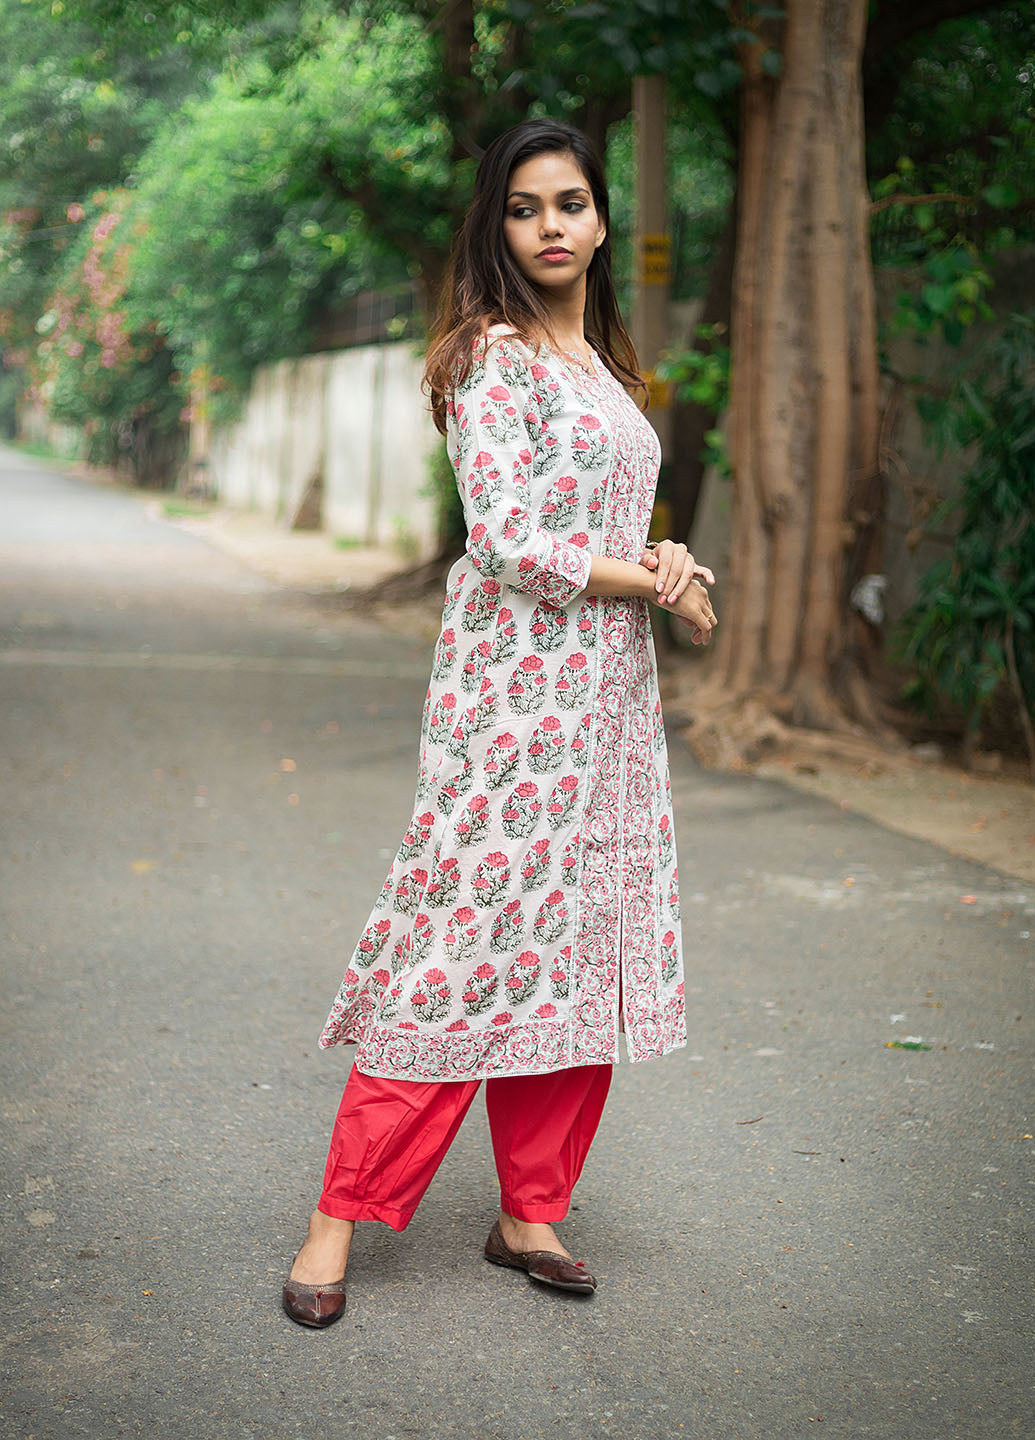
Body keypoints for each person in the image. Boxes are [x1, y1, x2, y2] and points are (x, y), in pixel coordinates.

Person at [283, 117, 717, 1328]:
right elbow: (512, 541)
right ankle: (338, 1217)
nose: (552, 227)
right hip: (512, 703)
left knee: (583, 946)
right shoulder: (491, 357)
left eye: (571, 203)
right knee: (457, 948)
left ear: (601, 216)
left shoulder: (610, 374)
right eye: (526, 208)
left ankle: (530, 1206)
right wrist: (650, 579)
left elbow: (607, 532)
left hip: (608, 710)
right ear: (499, 225)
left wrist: (662, 559)